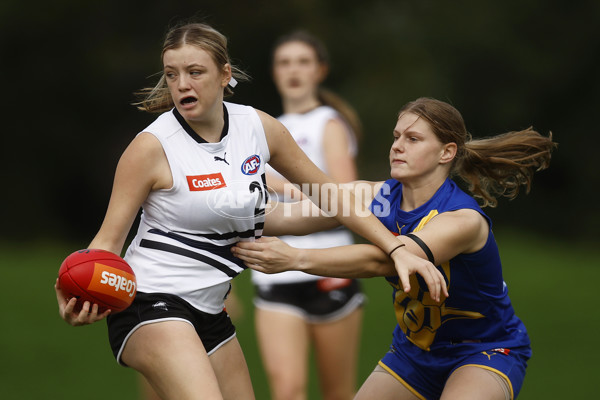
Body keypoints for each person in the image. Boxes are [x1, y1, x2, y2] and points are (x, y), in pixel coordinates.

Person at [53, 23, 446, 400]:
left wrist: (394, 246)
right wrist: (73, 291)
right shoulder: (151, 147)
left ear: (225, 74)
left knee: (359, 193)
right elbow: (105, 243)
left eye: (195, 72)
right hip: (151, 302)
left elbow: (328, 195)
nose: (182, 85)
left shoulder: (257, 127)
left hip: (210, 310)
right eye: (172, 75)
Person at [233, 97, 556, 400]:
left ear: (446, 153)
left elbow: (381, 261)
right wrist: (217, 207)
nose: (397, 146)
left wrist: (295, 258)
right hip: (413, 352)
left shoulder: (462, 219)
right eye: (396, 136)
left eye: (413, 139)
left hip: (484, 350)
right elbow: (288, 216)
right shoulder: (375, 197)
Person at [249, 30, 364, 400]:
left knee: (338, 393)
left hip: (330, 269)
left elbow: (347, 199)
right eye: (285, 62)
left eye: (303, 62)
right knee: (287, 390)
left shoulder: (329, 123)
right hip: (274, 271)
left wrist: (281, 184)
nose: (293, 70)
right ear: (274, 72)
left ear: (320, 71)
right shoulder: (261, 130)